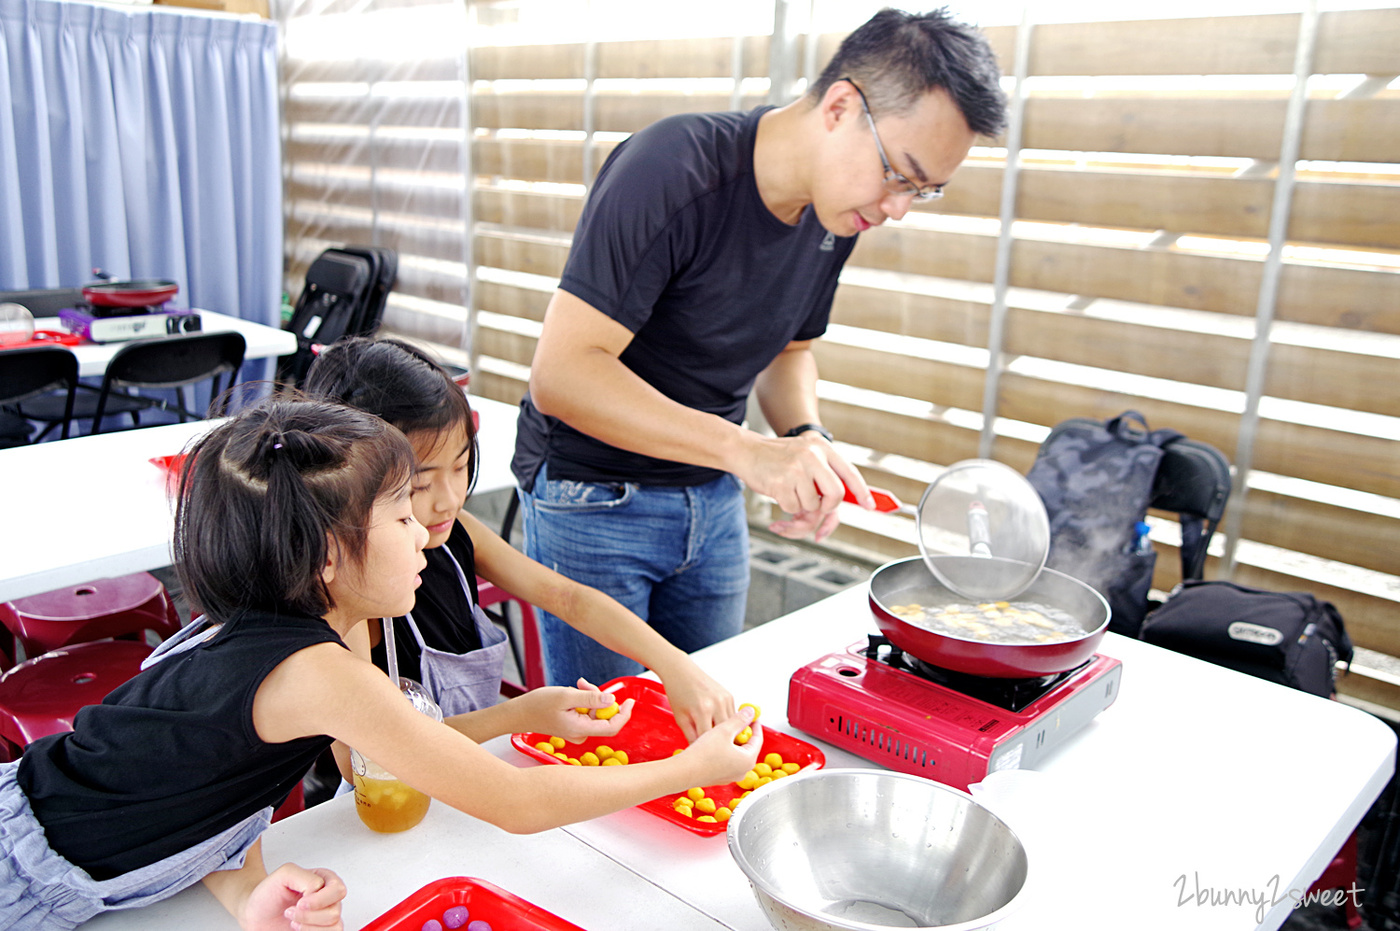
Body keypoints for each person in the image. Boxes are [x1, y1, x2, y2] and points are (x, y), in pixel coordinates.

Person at [0, 397, 761, 931]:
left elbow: (204, 782)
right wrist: (688, 769)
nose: (427, 534)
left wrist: (246, 894)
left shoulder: (274, 643)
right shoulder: (321, 674)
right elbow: (515, 802)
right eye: (402, 514)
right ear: (330, 554)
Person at [512, 8, 1008, 687]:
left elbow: (789, 350)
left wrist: (803, 435)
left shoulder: (836, 212)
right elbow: (563, 374)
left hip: (714, 498)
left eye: (924, 191)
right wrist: (749, 451)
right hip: (595, 498)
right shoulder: (672, 168)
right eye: (901, 174)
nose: (899, 208)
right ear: (840, 107)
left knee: (717, 733)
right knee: (611, 754)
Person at [303, 336, 733, 740]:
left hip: (478, 779)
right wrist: (520, 716)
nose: (449, 500)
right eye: (418, 485)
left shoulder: (457, 532)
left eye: (460, 466)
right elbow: (367, 756)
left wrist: (672, 664)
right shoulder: (349, 592)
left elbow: (567, 598)